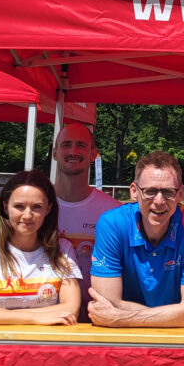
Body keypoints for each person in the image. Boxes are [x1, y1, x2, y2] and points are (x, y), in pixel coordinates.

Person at [89, 151, 184, 327]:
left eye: (168, 192)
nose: (159, 201)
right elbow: (108, 302)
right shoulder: (112, 224)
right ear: (134, 192)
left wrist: (121, 318)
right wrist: (175, 315)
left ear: (180, 194)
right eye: (150, 191)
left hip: (175, 336)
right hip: (128, 337)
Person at [0, 170, 80, 325]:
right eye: (19, 206)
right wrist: (34, 318)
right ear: (5, 207)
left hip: (44, 346)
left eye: (36, 207)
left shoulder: (63, 248)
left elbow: (71, 309)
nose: (27, 215)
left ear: (48, 209)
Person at [52, 124, 120, 321]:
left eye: (81, 145)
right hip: (44, 317)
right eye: (66, 145)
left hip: (97, 321)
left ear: (93, 154)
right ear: (55, 153)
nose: (73, 151)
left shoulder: (113, 211)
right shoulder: (36, 205)